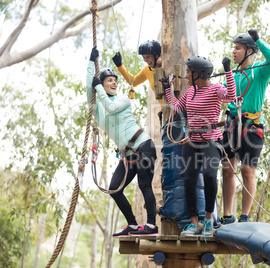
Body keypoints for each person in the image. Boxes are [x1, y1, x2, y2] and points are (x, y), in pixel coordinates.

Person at [87, 46, 158, 236]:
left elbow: (109, 105)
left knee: (144, 185)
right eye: (109, 80)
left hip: (144, 147)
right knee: (114, 190)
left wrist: (99, 87)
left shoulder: (123, 101)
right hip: (128, 155)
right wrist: (90, 62)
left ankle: (151, 225)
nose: (114, 83)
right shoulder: (102, 116)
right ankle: (133, 225)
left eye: (115, 81)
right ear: (101, 83)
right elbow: (90, 96)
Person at [162, 55, 236, 236]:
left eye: (188, 72)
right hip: (191, 142)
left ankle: (208, 220)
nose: (186, 75)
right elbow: (176, 107)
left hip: (212, 142)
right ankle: (194, 224)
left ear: (197, 74)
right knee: (189, 180)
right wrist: (167, 89)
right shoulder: (191, 91)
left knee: (210, 176)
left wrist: (228, 70)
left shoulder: (216, 89)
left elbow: (232, 96)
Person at [221, 29, 270, 224]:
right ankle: (228, 215)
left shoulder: (260, 71)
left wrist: (258, 41)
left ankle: (245, 216)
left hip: (252, 126)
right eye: (234, 48)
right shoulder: (233, 75)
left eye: (238, 48)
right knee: (227, 169)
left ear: (249, 51)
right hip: (231, 124)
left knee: (247, 171)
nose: (234, 51)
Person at [112, 40, 163, 108]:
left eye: (148, 56)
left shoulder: (166, 65)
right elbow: (133, 82)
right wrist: (120, 66)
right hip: (166, 112)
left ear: (156, 55)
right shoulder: (147, 69)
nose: (145, 60)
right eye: (143, 57)